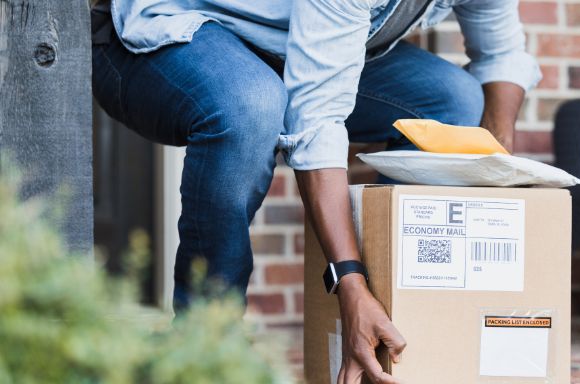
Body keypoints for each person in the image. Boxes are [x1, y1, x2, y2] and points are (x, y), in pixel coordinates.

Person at [91, 0, 540, 382]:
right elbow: (317, 120)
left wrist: (491, 167)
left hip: (287, 44)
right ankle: (205, 348)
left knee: (452, 103)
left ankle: (391, 320)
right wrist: (347, 276)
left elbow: (501, 54)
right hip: (165, 30)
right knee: (251, 103)